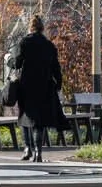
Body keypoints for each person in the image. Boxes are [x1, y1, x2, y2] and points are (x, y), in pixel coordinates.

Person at [9, 15, 66, 161]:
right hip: (45, 87)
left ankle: (28, 148)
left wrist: (8, 59)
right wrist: (58, 85)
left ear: (31, 27)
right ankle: (38, 152)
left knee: (24, 117)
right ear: (42, 28)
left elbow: (17, 63)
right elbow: (56, 69)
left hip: (27, 86)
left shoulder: (25, 42)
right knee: (39, 121)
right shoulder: (49, 45)